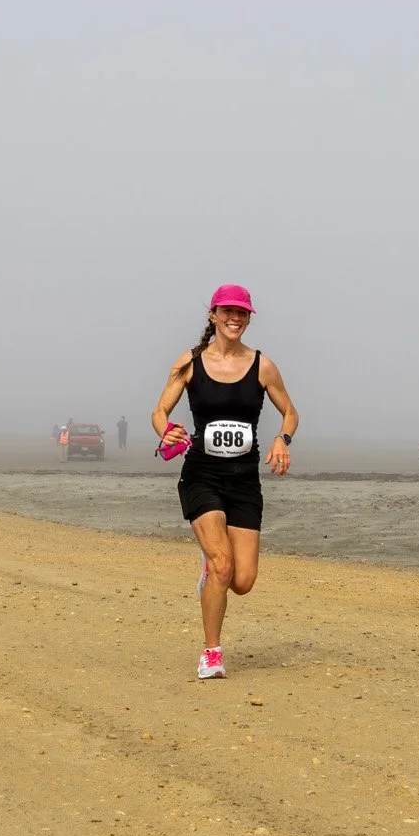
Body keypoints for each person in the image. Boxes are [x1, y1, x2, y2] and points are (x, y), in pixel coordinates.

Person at [150, 284, 297, 680]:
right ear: (213, 315)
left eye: (243, 313)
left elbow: (290, 413)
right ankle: (211, 653)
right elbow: (160, 410)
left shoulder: (263, 365)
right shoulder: (191, 361)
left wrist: (283, 440)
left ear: (249, 319)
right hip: (202, 474)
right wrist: (166, 431)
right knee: (222, 565)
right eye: (228, 311)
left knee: (243, 580)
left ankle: (213, 575)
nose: (235, 318)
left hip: (244, 480)